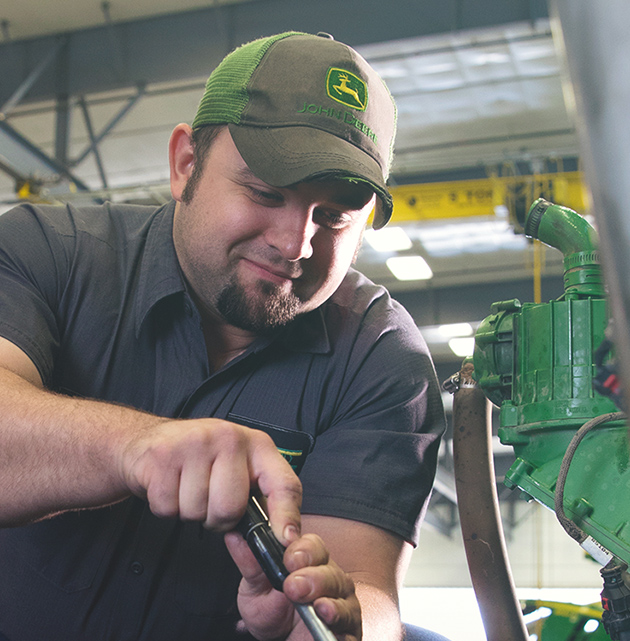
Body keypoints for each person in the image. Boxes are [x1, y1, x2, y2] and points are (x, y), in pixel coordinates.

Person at [0, 31, 446, 641]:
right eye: (266, 193)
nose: (296, 244)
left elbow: (370, 586)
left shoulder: (380, 358)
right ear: (186, 164)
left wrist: (337, 616)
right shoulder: (47, 253)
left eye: (335, 216)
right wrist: (136, 447)